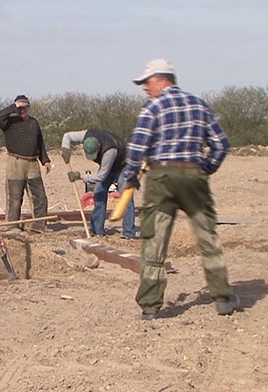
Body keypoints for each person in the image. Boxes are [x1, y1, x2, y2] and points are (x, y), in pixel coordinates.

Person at [121, 58, 239, 319]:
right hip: (194, 175)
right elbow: (221, 144)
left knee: (154, 241)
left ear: (164, 81)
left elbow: (137, 148)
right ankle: (222, 298)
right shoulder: (199, 105)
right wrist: (203, 169)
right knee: (208, 238)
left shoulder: (152, 108)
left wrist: (129, 177)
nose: (144, 88)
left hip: (161, 179)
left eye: (147, 82)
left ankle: (150, 307)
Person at [61, 128, 136, 239]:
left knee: (126, 197)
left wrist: (81, 176)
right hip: (108, 166)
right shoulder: (87, 134)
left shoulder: (109, 151)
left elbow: (101, 176)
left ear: (99, 146)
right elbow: (67, 136)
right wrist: (65, 148)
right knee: (99, 193)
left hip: (123, 165)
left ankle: (129, 233)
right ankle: (96, 230)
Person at [0, 95, 52, 232]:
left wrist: (45, 160)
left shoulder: (33, 122)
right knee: (14, 197)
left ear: (28, 107)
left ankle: (39, 225)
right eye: (19, 108)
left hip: (32, 163)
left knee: (39, 197)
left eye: (24, 107)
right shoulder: (9, 122)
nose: (22, 110)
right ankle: (12, 226)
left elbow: (40, 143)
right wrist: (13, 107)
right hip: (15, 162)